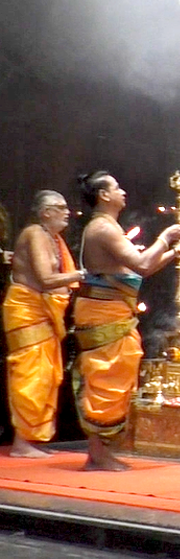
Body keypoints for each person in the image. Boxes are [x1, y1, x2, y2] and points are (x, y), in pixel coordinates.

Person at [75, 171, 180, 471]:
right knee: (105, 378)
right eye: (117, 187)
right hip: (103, 312)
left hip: (113, 311)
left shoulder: (108, 226)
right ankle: (97, 454)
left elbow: (140, 269)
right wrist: (165, 238)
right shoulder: (103, 228)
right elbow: (141, 263)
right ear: (104, 195)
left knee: (115, 375)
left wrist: (172, 252)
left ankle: (101, 452)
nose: (123, 192)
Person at [2, 191, 84, 457]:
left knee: (47, 373)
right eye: (61, 207)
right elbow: (46, 279)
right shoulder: (35, 233)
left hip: (44, 311)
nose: (67, 212)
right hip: (27, 309)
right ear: (46, 212)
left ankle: (31, 438)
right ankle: (21, 443)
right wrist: (84, 274)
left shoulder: (53, 238)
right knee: (31, 372)